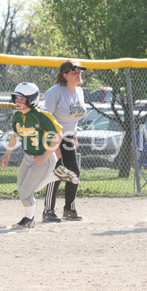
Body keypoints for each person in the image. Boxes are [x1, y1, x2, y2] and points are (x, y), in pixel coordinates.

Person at [0, 82, 79, 229]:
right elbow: (15, 135)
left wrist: (45, 156)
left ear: (31, 101)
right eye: (16, 98)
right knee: (23, 189)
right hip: (28, 157)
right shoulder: (17, 116)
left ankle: (28, 220)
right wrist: (7, 154)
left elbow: (58, 135)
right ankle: (56, 176)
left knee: (26, 193)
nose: (18, 102)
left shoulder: (41, 116)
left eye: (22, 99)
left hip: (44, 159)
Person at [39, 59, 87, 222]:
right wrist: (54, 145)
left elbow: (74, 117)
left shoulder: (79, 91)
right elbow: (46, 118)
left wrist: (74, 136)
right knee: (57, 171)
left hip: (67, 137)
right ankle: (48, 211)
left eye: (79, 72)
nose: (78, 74)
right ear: (65, 75)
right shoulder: (54, 92)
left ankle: (69, 209)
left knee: (73, 171)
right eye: (74, 72)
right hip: (53, 136)